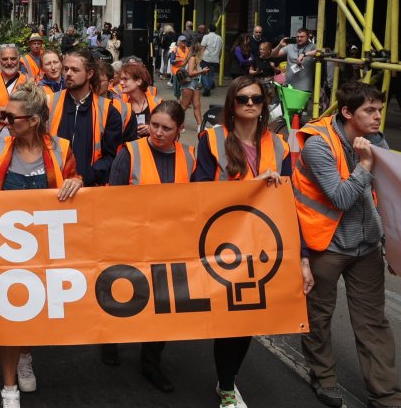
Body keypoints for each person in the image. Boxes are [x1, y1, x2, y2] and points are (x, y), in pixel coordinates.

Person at [0, 83, 80, 408]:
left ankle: (26, 355)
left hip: (44, 252)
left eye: (12, 118)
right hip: (5, 251)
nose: (5, 122)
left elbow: (76, 185)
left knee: (32, 313)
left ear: (34, 120)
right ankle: (8, 386)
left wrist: (75, 183)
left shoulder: (61, 149)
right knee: (9, 318)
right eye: (5, 116)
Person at [292, 81, 401, 408]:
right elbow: (340, 197)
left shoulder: (375, 139)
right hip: (325, 245)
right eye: (370, 110)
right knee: (319, 317)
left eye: (380, 110)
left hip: (366, 246)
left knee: (373, 323)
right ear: (346, 112)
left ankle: (386, 395)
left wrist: (390, 244)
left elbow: (386, 197)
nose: (378, 117)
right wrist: (366, 164)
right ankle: (323, 377)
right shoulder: (318, 145)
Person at [192, 76, 298, 408]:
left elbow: (288, 200)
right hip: (223, 244)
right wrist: (252, 184)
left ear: (265, 105)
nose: (250, 104)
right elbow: (198, 193)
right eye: (242, 99)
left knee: (248, 319)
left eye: (256, 99)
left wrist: (301, 256)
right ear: (232, 105)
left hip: (263, 245)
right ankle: (226, 387)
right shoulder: (212, 138)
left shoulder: (279, 145)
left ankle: (229, 379)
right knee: (229, 318)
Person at [105, 100, 195, 392]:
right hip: (130, 241)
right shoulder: (131, 152)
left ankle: (151, 362)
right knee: (123, 297)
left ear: (180, 129)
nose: (157, 132)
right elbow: (113, 198)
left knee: (163, 308)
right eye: (154, 125)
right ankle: (110, 339)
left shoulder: (189, 157)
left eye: (166, 128)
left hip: (170, 245)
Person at [48, 48, 126, 188]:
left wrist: (83, 179)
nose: (68, 74)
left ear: (90, 73)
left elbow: (112, 157)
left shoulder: (108, 111)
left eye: (75, 70)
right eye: (65, 69)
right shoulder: (49, 103)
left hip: (90, 190)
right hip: (54, 189)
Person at [0, 44, 31, 140]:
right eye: (5, 59)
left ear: (18, 60)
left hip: (21, 136)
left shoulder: (28, 80)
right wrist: (17, 113)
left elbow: (31, 110)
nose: (9, 62)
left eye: (13, 58)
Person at [118, 59, 159, 139]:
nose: (121, 83)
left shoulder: (157, 104)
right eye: (121, 79)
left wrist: (152, 129)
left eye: (125, 79)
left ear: (139, 81)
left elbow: (167, 130)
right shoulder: (119, 106)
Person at [272, 28, 318, 93]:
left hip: (304, 88)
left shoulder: (313, 47)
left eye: (302, 37)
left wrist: (304, 54)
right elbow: (274, 54)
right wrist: (279, 46)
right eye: (297, 37)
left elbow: (321, 51)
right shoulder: (290, 46)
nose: (299, 39)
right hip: (288, 85)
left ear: (308, 37)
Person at [199, 24, 223, 97]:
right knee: (211, 74)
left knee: (203, 73)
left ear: (208, 29)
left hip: (206, 58)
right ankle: (208, 88)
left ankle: (206, 88)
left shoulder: (206, 37)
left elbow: (202, 47)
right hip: (215, 59)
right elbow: (220, 48)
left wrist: (200, 57)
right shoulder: (219, 38)